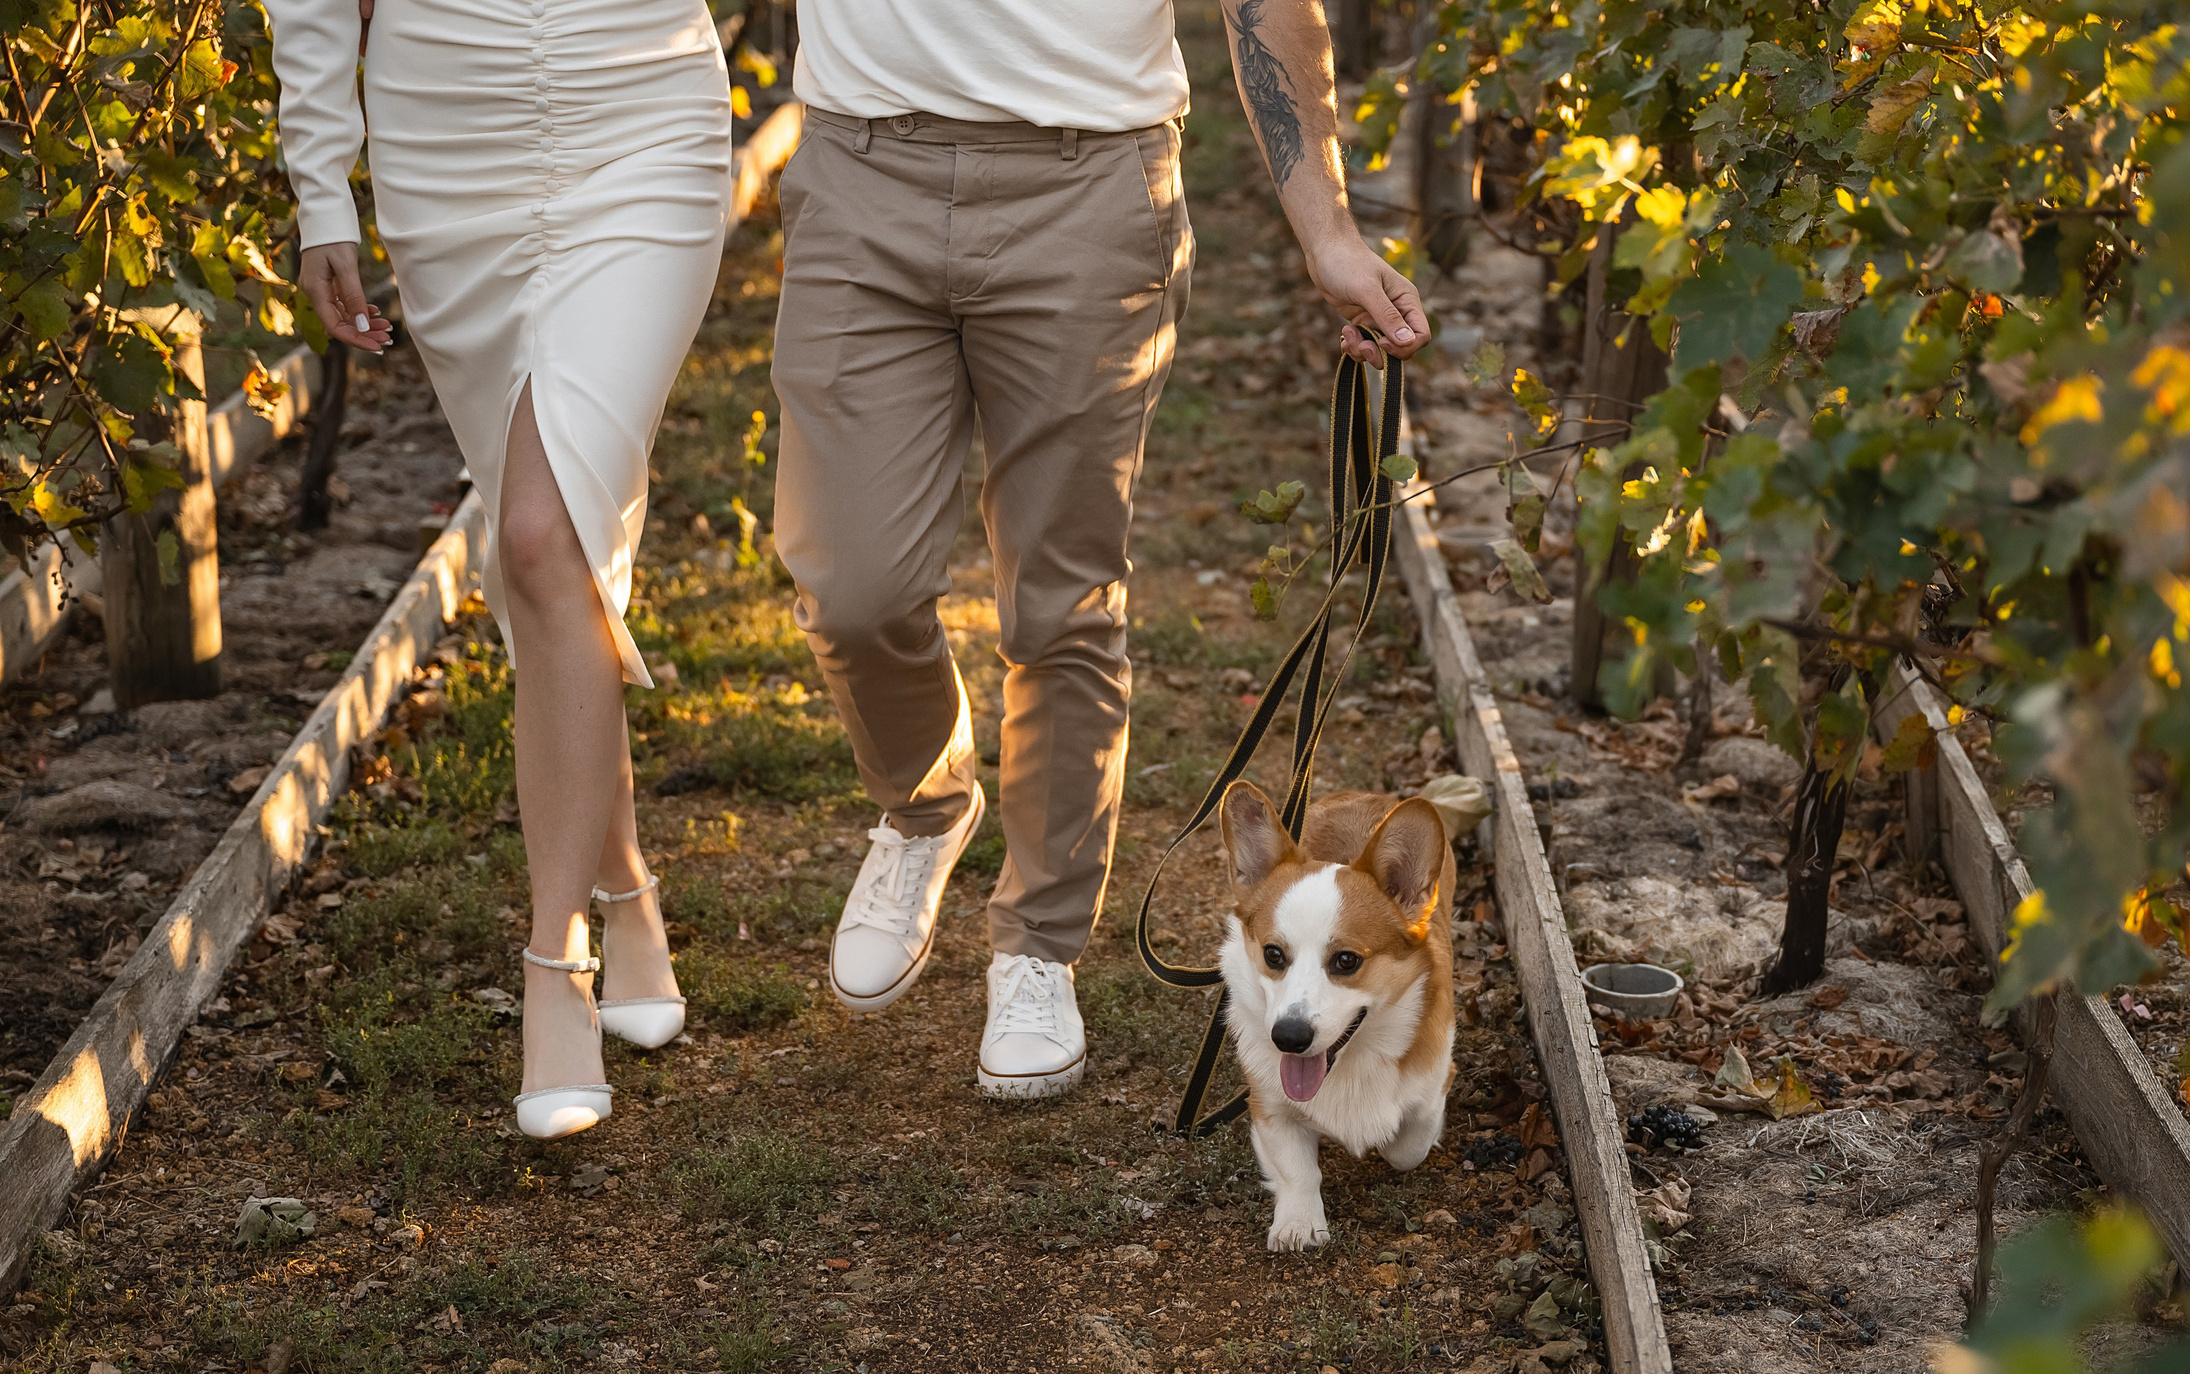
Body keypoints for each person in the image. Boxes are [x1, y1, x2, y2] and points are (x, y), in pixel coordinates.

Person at [776, 0, 1431, 1099]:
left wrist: (1327, 231)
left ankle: (1037, 945)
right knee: (850, 586)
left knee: (1061, 601)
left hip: (1086, 185)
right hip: (860, 166)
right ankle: (925, 803)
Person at [270, 0, 725, 1138]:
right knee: (555, 570)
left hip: (642, 107)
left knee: (539, 532)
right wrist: (321, 183)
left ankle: (552, 964)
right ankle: (623, 887)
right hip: (446, 136)